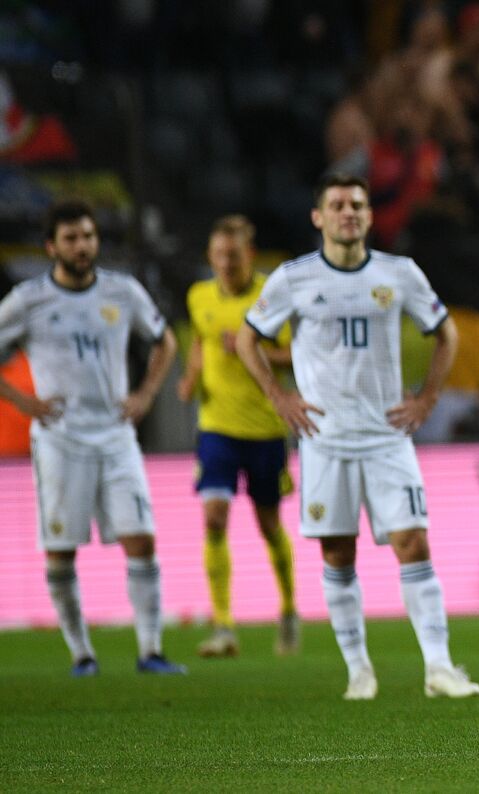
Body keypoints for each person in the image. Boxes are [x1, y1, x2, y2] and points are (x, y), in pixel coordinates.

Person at [236, 173, 479, 700]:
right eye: (338, 205)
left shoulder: (400, 274)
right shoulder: (292, 279)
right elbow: (246, 338)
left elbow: (446, 333)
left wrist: (427, 398)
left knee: (413, 541)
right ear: (318, 217)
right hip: (325, 439)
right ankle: (359, 671)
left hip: (387, 437)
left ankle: (438, 668)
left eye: (358, 205)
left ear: (370, 218)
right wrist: (278, 398)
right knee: (337, 555)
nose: (349, 212)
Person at [0, 200, 185, 676]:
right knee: (61, 549)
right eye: (71, 238)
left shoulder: (123, 292)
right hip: (60, 440)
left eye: (87, 236)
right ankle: (82, 653)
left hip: (117, 436)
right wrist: (23, 402)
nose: (82, 246)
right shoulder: (29, 299)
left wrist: (145, 392)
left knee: (141, 539)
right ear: (51, 246)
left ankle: (151, 651)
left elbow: (165, 341)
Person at [177, 215, 299, 658]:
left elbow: (291, 352)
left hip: (265, 426)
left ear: (249, 255)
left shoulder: (271, 295)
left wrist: (254, 347)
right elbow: (199, 341)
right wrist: (191, 376)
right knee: (213, 518)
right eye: (218, 256)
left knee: (268, 525)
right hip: (216, 426)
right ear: (210, 257)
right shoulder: (199, 295)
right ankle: (223, 623)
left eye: (233, 255)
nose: (225, 263)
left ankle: (288, 608)